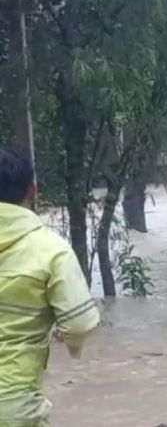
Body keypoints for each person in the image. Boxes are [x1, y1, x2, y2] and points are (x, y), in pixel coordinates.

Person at [0, 148, 100, 426]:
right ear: (32, 191)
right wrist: (70, 340)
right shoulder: (51, 250)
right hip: (13, 407)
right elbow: (80, 324)